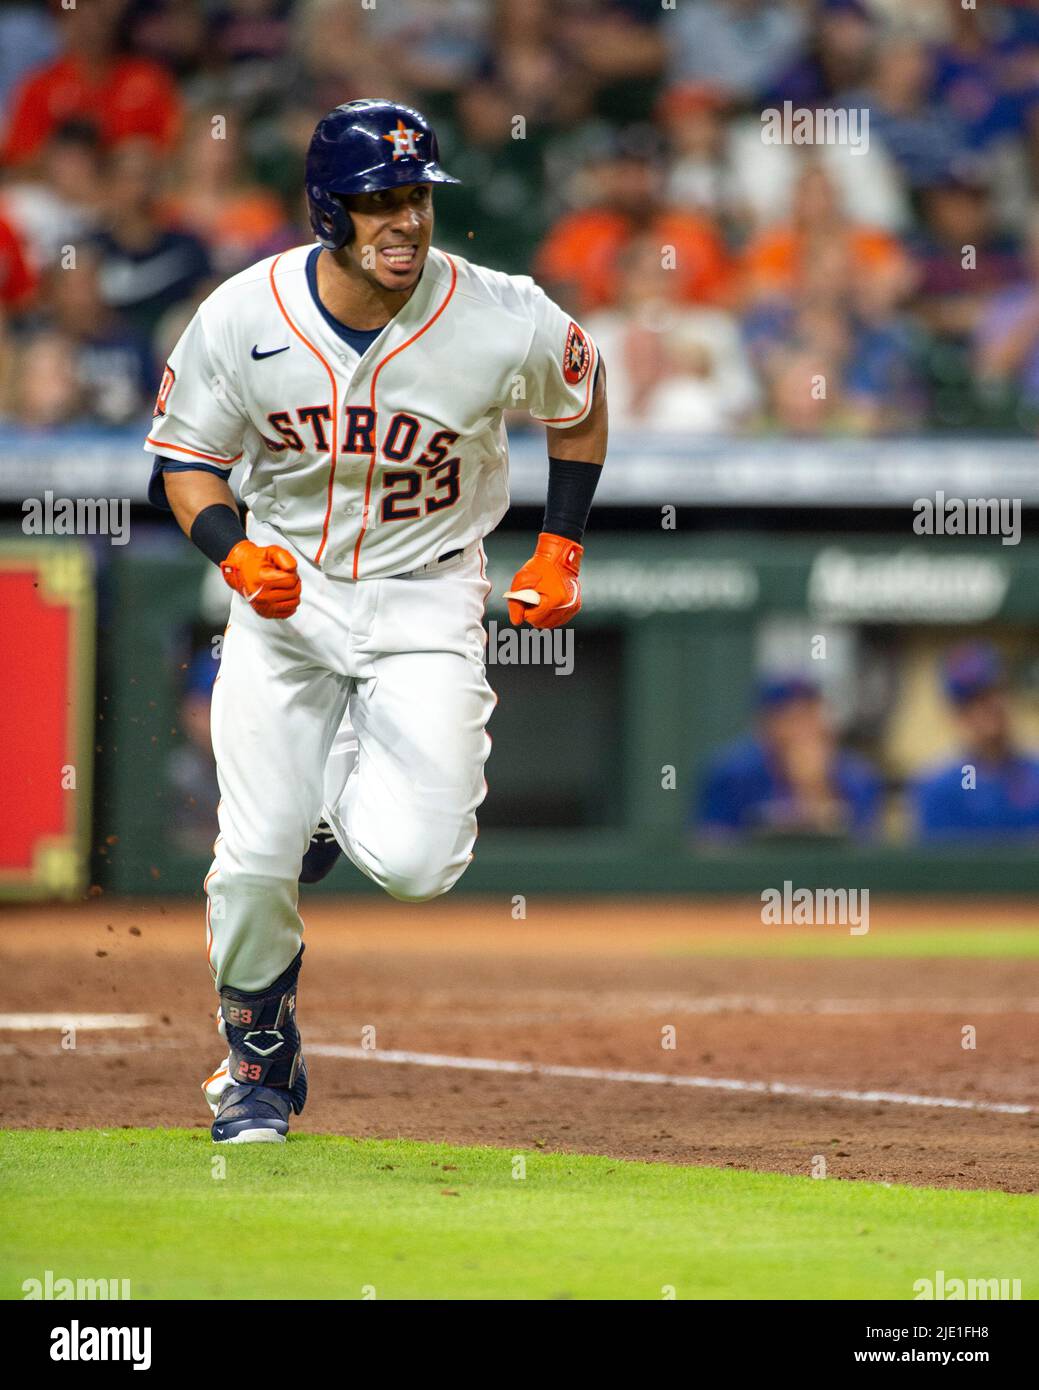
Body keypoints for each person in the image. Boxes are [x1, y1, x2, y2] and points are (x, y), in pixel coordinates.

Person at [144, 99, 608, 1144]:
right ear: (328, 211)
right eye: (377, 202)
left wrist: (561, 544)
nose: (404, 221)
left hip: (427, 594)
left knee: (417, 863)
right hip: (286, 599)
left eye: (416, 198)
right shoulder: (242, 313)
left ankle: (326, 806)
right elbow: (183, 457)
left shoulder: (501, 312)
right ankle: (256, 1068)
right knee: (254, 856)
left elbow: (580, 398)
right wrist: (232, 550)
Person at [696, 675, 882, 839]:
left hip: (831, 878)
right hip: (757, 877)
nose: (802, 728)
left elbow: (864, 846)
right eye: (790, 717)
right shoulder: (732, 773)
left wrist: (815, 787)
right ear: (765, 724)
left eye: (809, 713)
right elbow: (712, 844)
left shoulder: (856, 774)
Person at [912, 642, 1039, 842]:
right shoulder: (943, 786)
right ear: (957, 713)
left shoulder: (1034, 773)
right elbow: (939, 867)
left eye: (997, 692)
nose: (992, 705)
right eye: (976, 699)